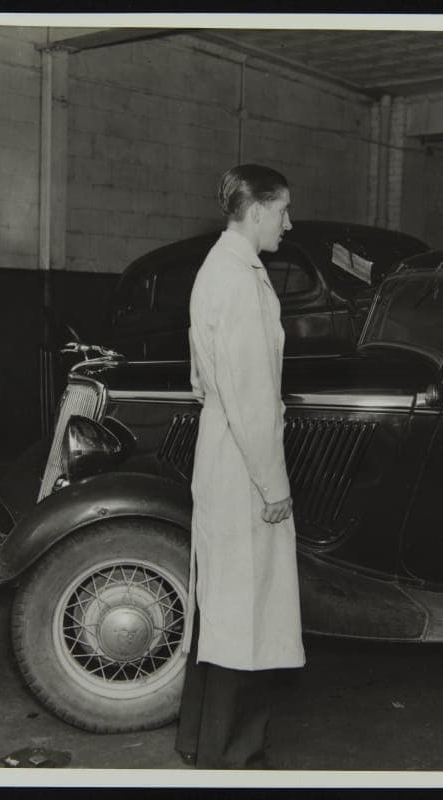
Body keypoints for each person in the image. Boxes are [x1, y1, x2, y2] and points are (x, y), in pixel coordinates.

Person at [175, 164, 305, 768]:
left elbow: (203, 379)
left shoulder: (217, 270)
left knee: (224, 603)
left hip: (222, 449)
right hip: (245, 458)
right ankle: (232, 755)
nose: (287, 222)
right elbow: (253, 397)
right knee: (246, 606)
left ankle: (200, 738)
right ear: (256, 212)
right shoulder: (241, 279)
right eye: (282, 211)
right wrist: (274, 485)